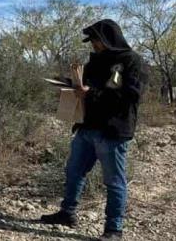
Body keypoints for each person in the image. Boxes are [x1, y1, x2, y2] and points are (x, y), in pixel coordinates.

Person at [40, 19, 148, 241]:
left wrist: (91, 92)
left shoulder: (132, 61)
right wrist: (67, 84)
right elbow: (86, 86)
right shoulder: (95, 62)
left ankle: (113, 230)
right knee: (74, 171)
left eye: (96, 40)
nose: (94, 45)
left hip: (113, 132)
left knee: (114, 181)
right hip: (87, 127)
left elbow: (131, 96)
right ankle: (67, 213)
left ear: (108, 38)